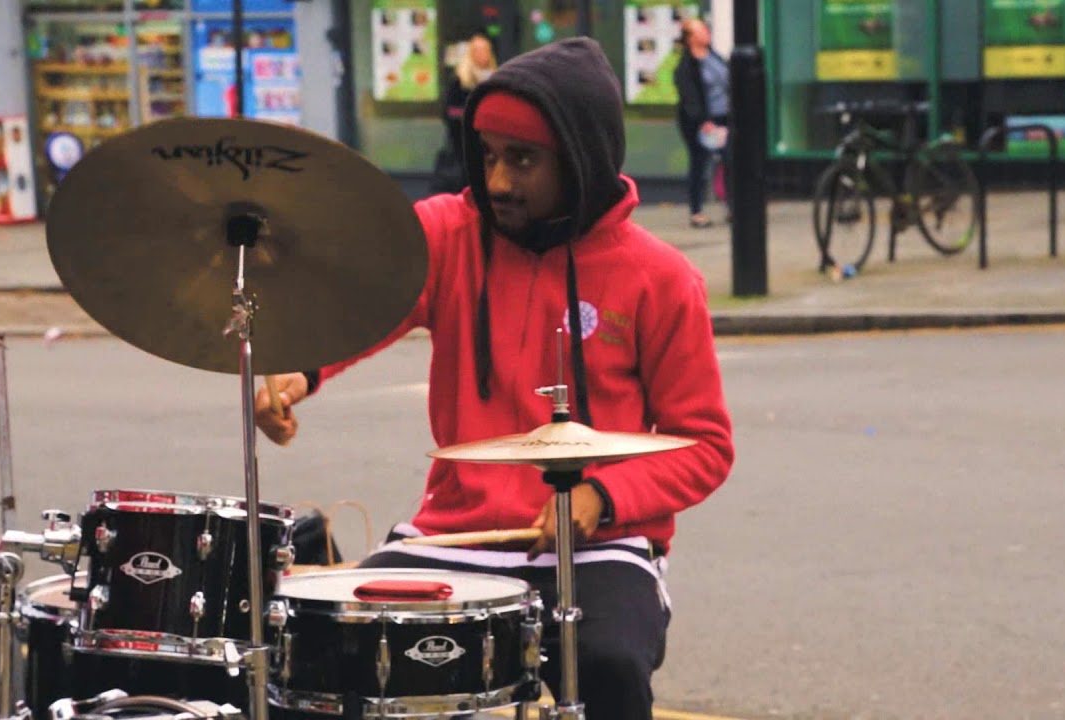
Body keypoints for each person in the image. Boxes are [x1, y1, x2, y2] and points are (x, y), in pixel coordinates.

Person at [255, 37, 734, 720]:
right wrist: (301, 369)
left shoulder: (662, 279)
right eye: (487, 156)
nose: (500, 181)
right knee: (320, 650)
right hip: (453, 535)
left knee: (609, 664)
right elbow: (359, 303)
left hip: (602, 547)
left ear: (581, 158)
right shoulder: (447, 234)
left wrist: (603, 495)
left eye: (523, 159)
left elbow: (704, 444)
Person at [674, 18, 730, 228]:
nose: (707, 33)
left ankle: (733, 207)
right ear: (690, 38)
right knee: (699, 163)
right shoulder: (686, 66)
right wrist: (702, 120)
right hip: (701, 123)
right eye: (700, 31)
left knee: (730, 161)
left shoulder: (714, 57)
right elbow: (690, 96)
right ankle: (696, 211)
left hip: (724, 118)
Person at [430, 33, 498, 194]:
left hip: (490, 143)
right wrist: (472, 116)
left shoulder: (497, 79)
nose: (481, 54)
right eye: (477, 50)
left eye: (485, 50)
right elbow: (449, 111)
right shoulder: (460, 80)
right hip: (464, 144)